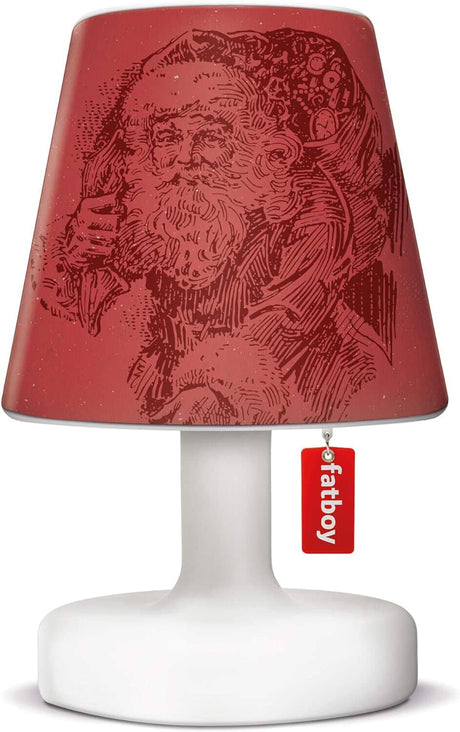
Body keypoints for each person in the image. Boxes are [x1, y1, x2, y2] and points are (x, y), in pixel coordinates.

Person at [34, 28, 399, 425]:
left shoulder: (313, 208)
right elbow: (77, 315)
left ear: (263, 151)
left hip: (312, 376)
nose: (184, 156)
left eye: (209, 137)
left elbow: (283, 323)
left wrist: (217, 392)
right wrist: (74, 256)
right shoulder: (151, 202)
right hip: (165, 375)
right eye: (168, 136)